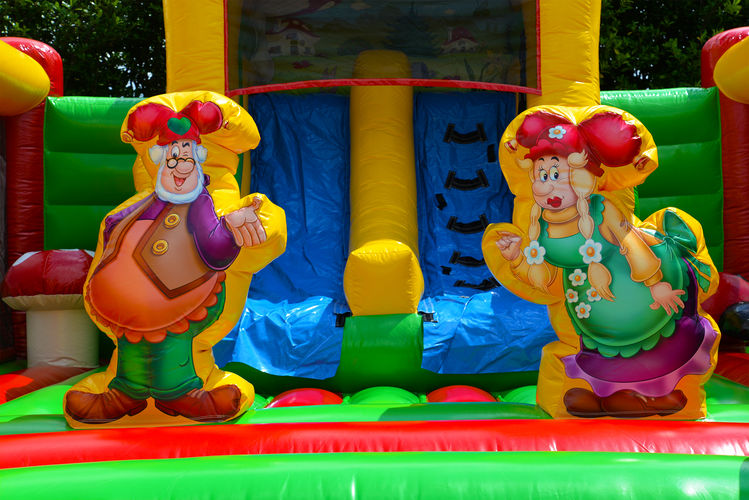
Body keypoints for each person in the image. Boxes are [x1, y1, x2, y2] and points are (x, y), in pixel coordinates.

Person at [484, 107, 718, 418]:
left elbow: (631, 243)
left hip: (635, 299)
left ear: (583, 178)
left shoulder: (601, 209)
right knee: (605, 356)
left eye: (558, 175)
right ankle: (609, 397)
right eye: (542, 176)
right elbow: (547, 279)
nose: (548, 186)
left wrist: (656, 284)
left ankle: (659, 397)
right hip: (592, 311)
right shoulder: (542, 226)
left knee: (652, 349)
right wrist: (517, 258)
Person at [64, 96, 285, 424]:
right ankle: (124, 392)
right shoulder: (128, 212)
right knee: (133, 344)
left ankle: (182, 393)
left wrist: (248, 224)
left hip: (183, 300)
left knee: (177, 342)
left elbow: (247, 239)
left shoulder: (214, 206)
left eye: (187, 155)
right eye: (172, 156)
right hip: (129, 312)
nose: (180, 166)